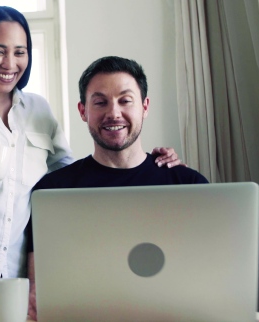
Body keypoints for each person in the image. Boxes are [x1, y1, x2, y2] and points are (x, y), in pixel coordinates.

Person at [0, 7, 182, 314]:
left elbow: (72, 179)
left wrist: (150, 164)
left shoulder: (38, 109)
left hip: (13, 281)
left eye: (20, 52)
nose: (10, 63)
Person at [25, 56, 209, 320]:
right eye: (100, 102)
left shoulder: (189, 185)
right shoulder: (52, 192)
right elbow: (38, 291)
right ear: (83, 111)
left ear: (145, 107)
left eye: (125, 100)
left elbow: (207, 276)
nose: (113, 113)